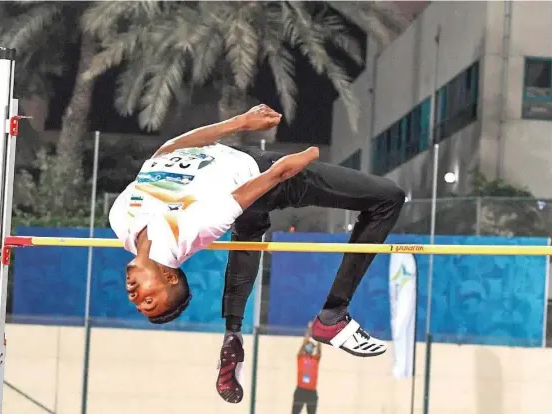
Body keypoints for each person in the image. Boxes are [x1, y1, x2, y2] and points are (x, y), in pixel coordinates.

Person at [109, 104, 405, 404]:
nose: (135, 296)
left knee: (248, 232)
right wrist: (305, 158)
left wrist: (241, 122)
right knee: (388, 198)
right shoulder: (190, 228)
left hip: (233, 174)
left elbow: (168, 149)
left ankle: (233, 333)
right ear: (169, 277)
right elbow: (270, 179)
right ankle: (333, 314)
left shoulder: (119, 218)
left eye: (141, 303)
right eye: (149, 300)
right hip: (258, 174)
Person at [292, 322, 322, 414]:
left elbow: (319, 350)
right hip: (301, 390)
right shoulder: (300, 357)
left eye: (311, 346)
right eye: (308, 345)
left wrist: (318, 332)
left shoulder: (315, 359)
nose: (309, 347)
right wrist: (309, 329)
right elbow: (304, 342)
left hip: (312, 392)